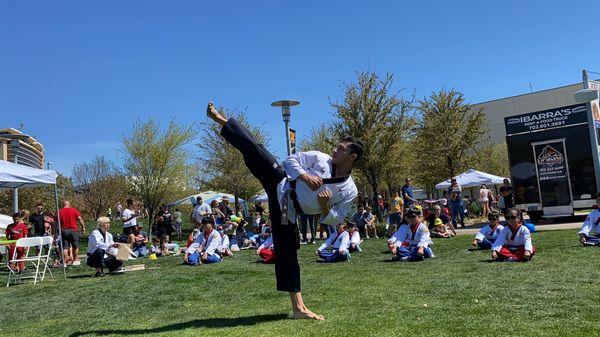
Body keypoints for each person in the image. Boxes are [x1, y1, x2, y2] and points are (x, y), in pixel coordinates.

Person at [207, 101, 362, 320]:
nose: (335, 150)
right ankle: (221, 120)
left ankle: (299, 309)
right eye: (336, 146)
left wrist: (326, 207)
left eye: (341, 149)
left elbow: (335, 219)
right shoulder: (320, 158)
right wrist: (305, 176)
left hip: (288, 212)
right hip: (280, 184)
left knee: (288, 253)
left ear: (352, 157)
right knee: (256, 149)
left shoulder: (349, 190)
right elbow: (290, 160)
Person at [59, 200, 86, 266]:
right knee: (75, 246)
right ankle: (75, 261)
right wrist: (83, 227)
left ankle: (64, 263)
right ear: (69, 204)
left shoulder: (60, 211)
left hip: (64, 230)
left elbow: (55, 223)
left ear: (63, 205)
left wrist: (54, 232)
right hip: (73, 230)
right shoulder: (74, 210)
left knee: (65, 247)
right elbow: (79, 218)